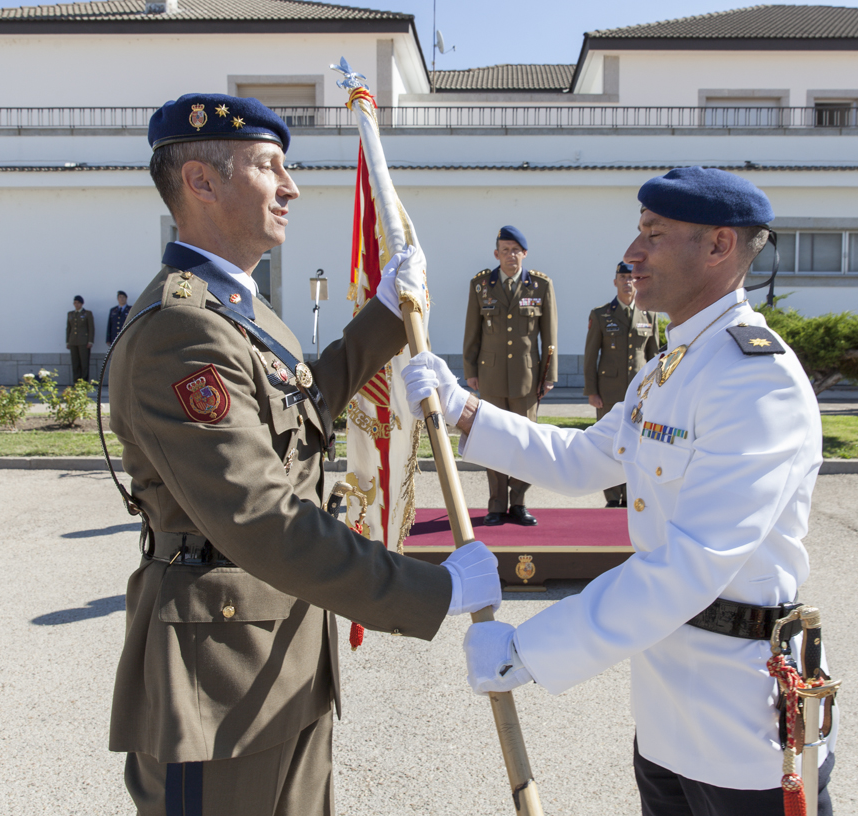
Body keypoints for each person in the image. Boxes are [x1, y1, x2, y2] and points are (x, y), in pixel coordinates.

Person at [106, 93, 499, 816]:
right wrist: (432, 592)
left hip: (281, 655)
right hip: (219, 678)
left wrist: (385, 314)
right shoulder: (182, 330)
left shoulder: (239, 315)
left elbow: (304, 411)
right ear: (201, 181)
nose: (290, 186)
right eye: (268, 167)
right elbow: (259, 514)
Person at [403, 167, 834, 816]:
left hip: (739, 718)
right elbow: (580, 460)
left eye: (653, 235)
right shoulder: (668, 370)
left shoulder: (754, 380)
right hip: (666, 712)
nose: (632, 255)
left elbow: (691, 562)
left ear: (718, 247)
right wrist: (464, 410)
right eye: (638, 233)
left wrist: (530, 648)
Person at [462, 224, 558, 526]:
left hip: (527, 379)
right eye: (505, 250)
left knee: (524, 442)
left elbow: (549, 336)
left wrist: (549, 375)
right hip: (489, 377)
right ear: (496, 253)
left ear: (524, 254)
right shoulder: (481, 285)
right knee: (492, 441)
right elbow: (472, 333)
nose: (510, 255)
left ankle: (518, 503)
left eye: (516, 250)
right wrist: (470, 371)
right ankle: (495, 505)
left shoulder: (540, 286)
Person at [584, 261, 663, 507]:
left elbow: (655, 357)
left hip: (641, 393)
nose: (628, 281)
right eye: (623, 277)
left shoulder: (649, 314)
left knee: (637, 442)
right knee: (609, 444)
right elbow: (590, 355)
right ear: (615, 281)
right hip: (608, 391)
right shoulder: (601, 314)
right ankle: (612, 497)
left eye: (631, 277)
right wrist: (592, 391)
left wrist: (659, 391)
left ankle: (631, 495)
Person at [66, 295, 94, 383]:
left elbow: (91, 328)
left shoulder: (87, 313)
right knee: (75, 363)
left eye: (78, 303)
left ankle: (84, 382)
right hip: (73, 341)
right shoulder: (70, 314)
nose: (76, 304)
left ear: (82, 303)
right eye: (75, 303)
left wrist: (90, 341)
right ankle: (76, 381)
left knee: (84, 363)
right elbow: (68, 328)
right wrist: (67, 341)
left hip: (83, 341)